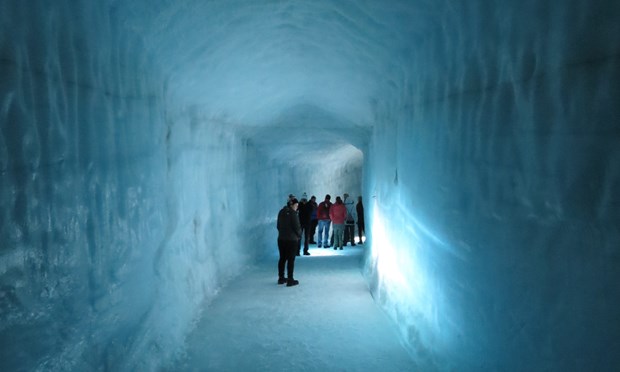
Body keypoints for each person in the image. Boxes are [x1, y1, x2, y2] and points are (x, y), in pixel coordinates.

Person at [277, 198, 301, 286]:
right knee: (291, 259)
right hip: (291, 240)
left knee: (282, 258)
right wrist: (299, 235)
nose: (297, 207)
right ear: (292, 205)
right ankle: (290, 279)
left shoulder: (281, 212)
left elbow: (278, 226)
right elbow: (297, 226)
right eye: (296, 205)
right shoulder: (293, 213)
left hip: (281, 239)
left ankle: (281, 278)